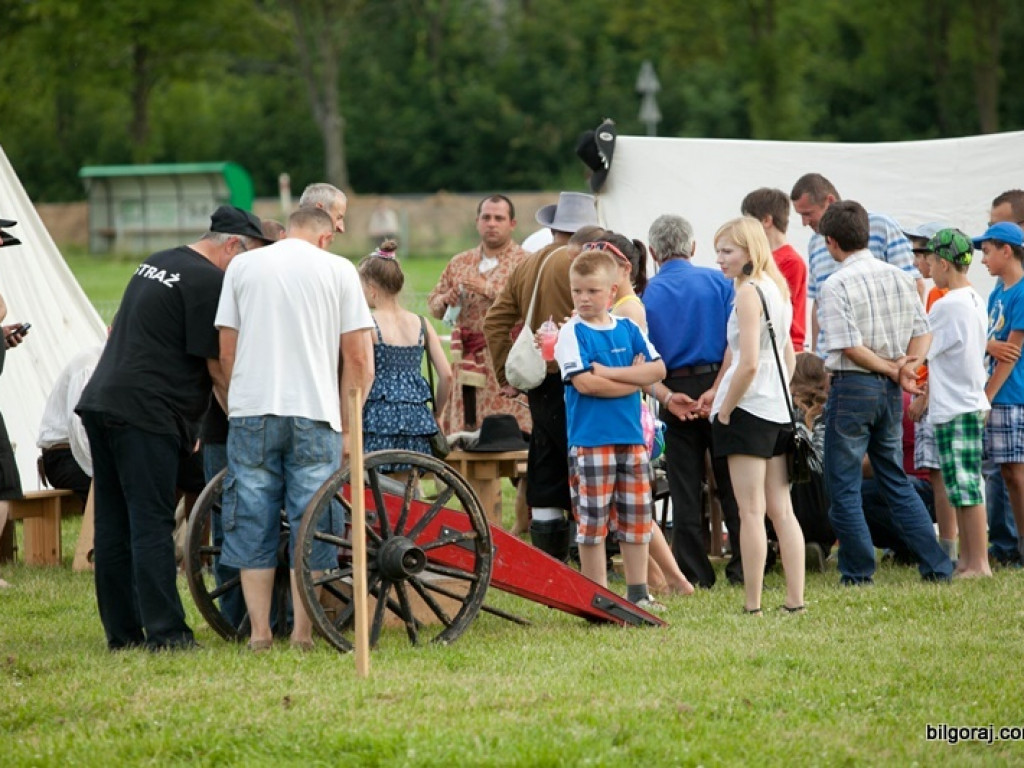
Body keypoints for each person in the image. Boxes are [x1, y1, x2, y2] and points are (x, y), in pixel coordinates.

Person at [76, 205, 271, 651]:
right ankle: (167, 633)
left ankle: (123, 633)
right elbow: (217, 366)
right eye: (250, 257)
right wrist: (243, 418)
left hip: (103, 400)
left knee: (113, 524)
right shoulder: (210, 281)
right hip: (147, 411)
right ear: (232, 245)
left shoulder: (159, 260)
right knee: (151, 522)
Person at [216, 206, 374, 652]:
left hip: (252, 410)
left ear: (287, 230)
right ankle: (303, 634)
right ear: (324, 237)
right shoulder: (339, 270)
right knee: (313, 522)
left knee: (252, 516)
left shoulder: (243, 265)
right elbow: (358, 359)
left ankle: (260, 633)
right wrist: (348, 427)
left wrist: (239, 403)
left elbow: (226, 352)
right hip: (315, 412)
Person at [816, 200, 952, 585]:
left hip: (853, 385)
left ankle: (858, 572)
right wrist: (907, 367)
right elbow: (923, 332)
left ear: (831, 241)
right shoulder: (900, 276)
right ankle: (937, 564)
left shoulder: (836, 283)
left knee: (843, 484)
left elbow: (849, 346)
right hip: (890, 390)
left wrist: (895, 369)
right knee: (894, 478)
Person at [484, 191, 599, 560]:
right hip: (584, 377)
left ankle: (551, 557)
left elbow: (494, 322)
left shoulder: (528, 265)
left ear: (553, 228)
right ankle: (588, 549)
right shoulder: (590, 264)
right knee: (587, 461)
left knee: (546, 462)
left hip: (540, 381)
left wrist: (505, 375)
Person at [554, 248, 666, 609]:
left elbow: (658, 370)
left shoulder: (628, 328)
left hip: (632, 438)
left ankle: (639, 594)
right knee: (592, 522)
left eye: (592, 291)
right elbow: (585, 384)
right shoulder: (571, 332)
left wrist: (609, 373)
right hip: (590, 440)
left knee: (637, 518)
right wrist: (634, 380)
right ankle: (596, 596)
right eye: (577, 291)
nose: (583, 298)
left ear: (612, 291)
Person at [707, 217, 805, 614]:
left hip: (748, 408)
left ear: (750, 250)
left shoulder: (748, 292)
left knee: (750, 512)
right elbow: (788, 356)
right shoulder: (776, 287)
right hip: (777, 408)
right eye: (718, 251)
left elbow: (746, 363)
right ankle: (795, 600)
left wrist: (725, 409)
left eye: (727, 251)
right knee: (782, 510)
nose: (719, 259)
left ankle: (753, 603)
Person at [643, 214, 744, 589]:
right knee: (733, 481)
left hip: (673, 388)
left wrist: (667, 396)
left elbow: (643, 358)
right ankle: (744, 565)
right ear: (694, 247)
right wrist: (717, 388)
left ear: (652, 252)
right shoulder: (721, 282)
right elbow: (734, 341)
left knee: (683, 485)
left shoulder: (645, 295)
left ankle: (693, 571)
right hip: (719, 382)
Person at [593, 234, 694, 596]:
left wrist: (596, 369)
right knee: (629, 507)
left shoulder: (627, 310)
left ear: (623, 269)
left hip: (624, 415)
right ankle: (664, 580)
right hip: (623, 412)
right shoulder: (619, 307)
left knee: (630, 506)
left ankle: (669, 580)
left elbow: (636, 371)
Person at [427, 194, 530, 435]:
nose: (491, 223)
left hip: (507, 359)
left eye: (499, 218)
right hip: (467, 361)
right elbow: (433, 305)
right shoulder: (460, 262)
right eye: (486, 217)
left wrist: (489, 289)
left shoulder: (525, 262)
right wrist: (447, 299)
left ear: (512, 224)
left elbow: (531, 306)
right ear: (477, 222)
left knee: (511, 435)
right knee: (468, 433)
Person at [921, 228, 991, 577]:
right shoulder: (974, 298)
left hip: (956, 405)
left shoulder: (947, 304)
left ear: (945, 264)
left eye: (931, 261)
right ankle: (967, 560)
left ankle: (979, 562)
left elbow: (924, 347)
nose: (929, 268)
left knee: (965, 486)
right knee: (960, 485)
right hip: (967, 400)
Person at [790, 173, 921, 353]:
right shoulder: (815, 242)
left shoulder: (881, 226)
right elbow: (818, 304)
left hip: (877, 355)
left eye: (808, 214)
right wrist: (815, 354)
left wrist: (907, 352)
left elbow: (913, 285)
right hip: (829, 357)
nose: (804, 223)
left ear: (829, 201)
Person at [361, 239, 452, 477]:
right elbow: (447, 375)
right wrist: (438, 414)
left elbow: (368, 374)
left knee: (376, 483)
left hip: (377, 417)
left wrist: (352, 415)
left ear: (371, 287)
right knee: (409, 483)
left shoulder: (368, 323)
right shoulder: (421, 324)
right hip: (416, 419)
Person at [902, 222, 957, 561]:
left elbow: (942, 355)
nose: (916, 261)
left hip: (936, 396)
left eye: (920, 253)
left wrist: (925, 395)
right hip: (929, 391)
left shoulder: (944, 298)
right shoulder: (934, 294)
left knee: (942, 476)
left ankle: (948, 547)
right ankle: (946, 544)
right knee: (937, 474)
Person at [975, 221, 1024, 565]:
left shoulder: (1020, 292)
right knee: (1007, 474)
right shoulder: (997, 293)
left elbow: (1011, 353)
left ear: (1007, 251)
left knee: (1016, 475)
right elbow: (991, 341)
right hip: (1000, 393)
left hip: (1012, 393)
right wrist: (989, 344)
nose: (983, 260)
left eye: (988, 251)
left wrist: (987, 396)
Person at [741, 187, 808, 350]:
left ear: (766, 220)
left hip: (782, 347)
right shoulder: (759, 258)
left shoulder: (791, 261)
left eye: (749, 222)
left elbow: (779, 309)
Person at [37, 344, 103, 503]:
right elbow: (79, 425)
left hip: (91, 453)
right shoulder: (89, 364)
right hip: (65, 455)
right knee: (119, 487)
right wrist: (101, 470)